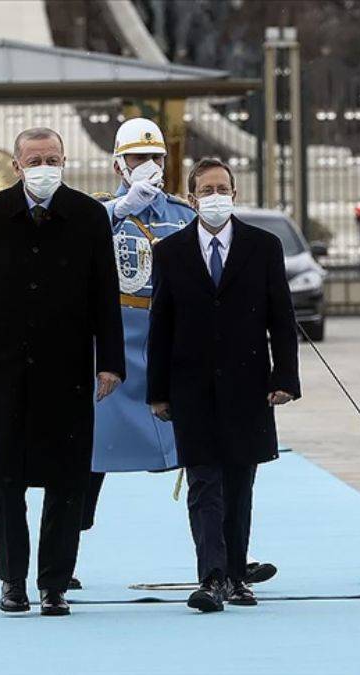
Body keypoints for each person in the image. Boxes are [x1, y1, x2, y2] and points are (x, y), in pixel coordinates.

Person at [81, 119, 278, 589]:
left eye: (152, 159)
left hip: (174, 352)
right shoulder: (99, 213)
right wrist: (118, 211)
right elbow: (73, 250)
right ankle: (63, 558)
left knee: (213, 461)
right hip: (114, 352)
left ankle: (227, 557)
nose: (145, 168)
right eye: (134, 159)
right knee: (89, 462)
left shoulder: (181, 213)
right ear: (117, 164)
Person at [0, 127, 125, 616]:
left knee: (67, 480)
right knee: (4, 479)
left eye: (52, 158)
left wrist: (110, 362)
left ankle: (54, 583)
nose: (43, 166)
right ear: (16, 165)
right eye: (34, 159)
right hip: (2, 370)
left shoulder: (89, 216)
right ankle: (12, 581)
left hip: (67, 368)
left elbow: (104, 295)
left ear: (64, 160)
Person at [146, 157, 301, 613]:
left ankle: (237, 574)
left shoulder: (263, 246)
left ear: (234, 194)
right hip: (190, 385)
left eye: (223, 189)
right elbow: (161, 323)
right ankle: (211, 578)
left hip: (248, 384)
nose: (215, 197)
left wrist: (285, 378)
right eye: (206, 190)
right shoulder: (171, 251)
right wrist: (157, 391)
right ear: (192, 199)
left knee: (238, 483)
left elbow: (282, 319)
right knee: (204, 483)